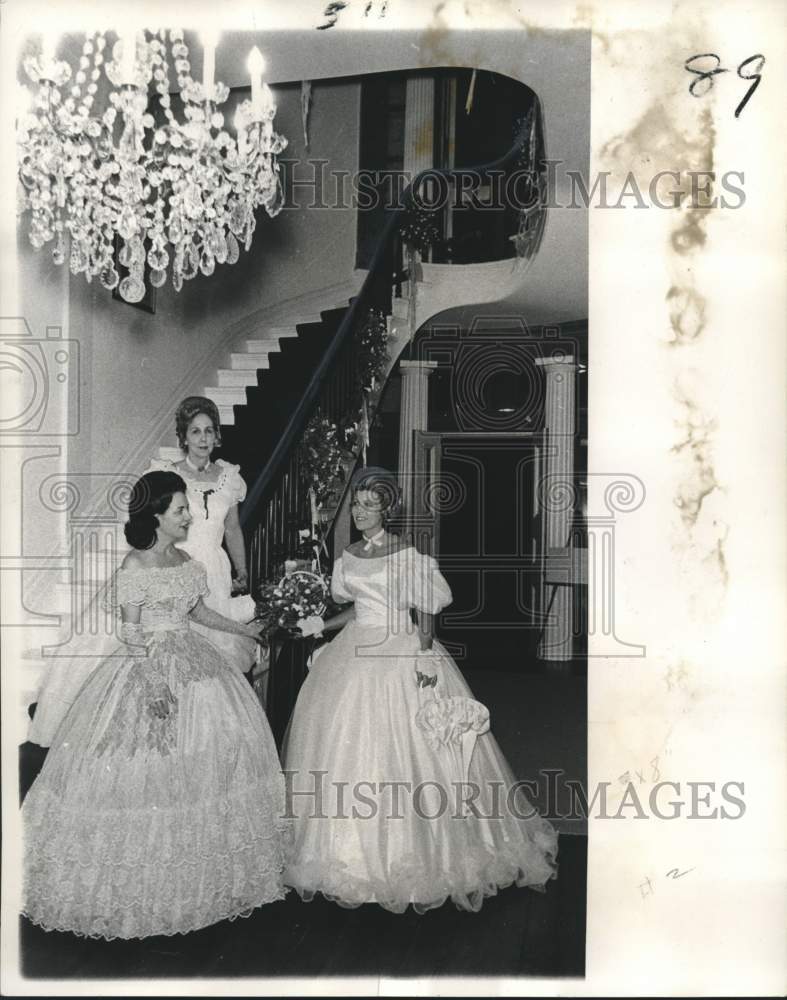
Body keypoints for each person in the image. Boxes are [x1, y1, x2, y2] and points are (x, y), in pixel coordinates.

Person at [21, 471, 289, 940]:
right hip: (145, 667)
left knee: (208, 766)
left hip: (195, 661)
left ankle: (205, 883)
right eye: (181, 509)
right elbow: (131, 633)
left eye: (187, 508)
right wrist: (153, 684)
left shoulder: (185, 560)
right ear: (158, 516)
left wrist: (240, 629)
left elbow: (197, 612)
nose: (190, 516)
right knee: (143, 770)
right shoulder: (135, 566)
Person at [283, 468, 558, 914]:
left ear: (387, 511)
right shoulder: (348, 555)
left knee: (412, 749)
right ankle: (342, 854)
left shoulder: (406, 554)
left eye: (369, 505)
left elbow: (426, 609)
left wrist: (424, 654)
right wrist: (319, 624)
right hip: (354, 650)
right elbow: (356, 609)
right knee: (345, 745)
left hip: (401, 649)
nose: (359, 511)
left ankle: (425, 852)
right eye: (356, 504)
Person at [147, 396, 258, 677]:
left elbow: (232, 528)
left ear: (217, 436)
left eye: (209, 430)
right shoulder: (167, 474)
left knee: (215, 649)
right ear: (184, 437)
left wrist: (242, 568)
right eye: (195, 431)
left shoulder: (229, 477)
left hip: (215, 570)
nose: (203, 438)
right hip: (179, 565)